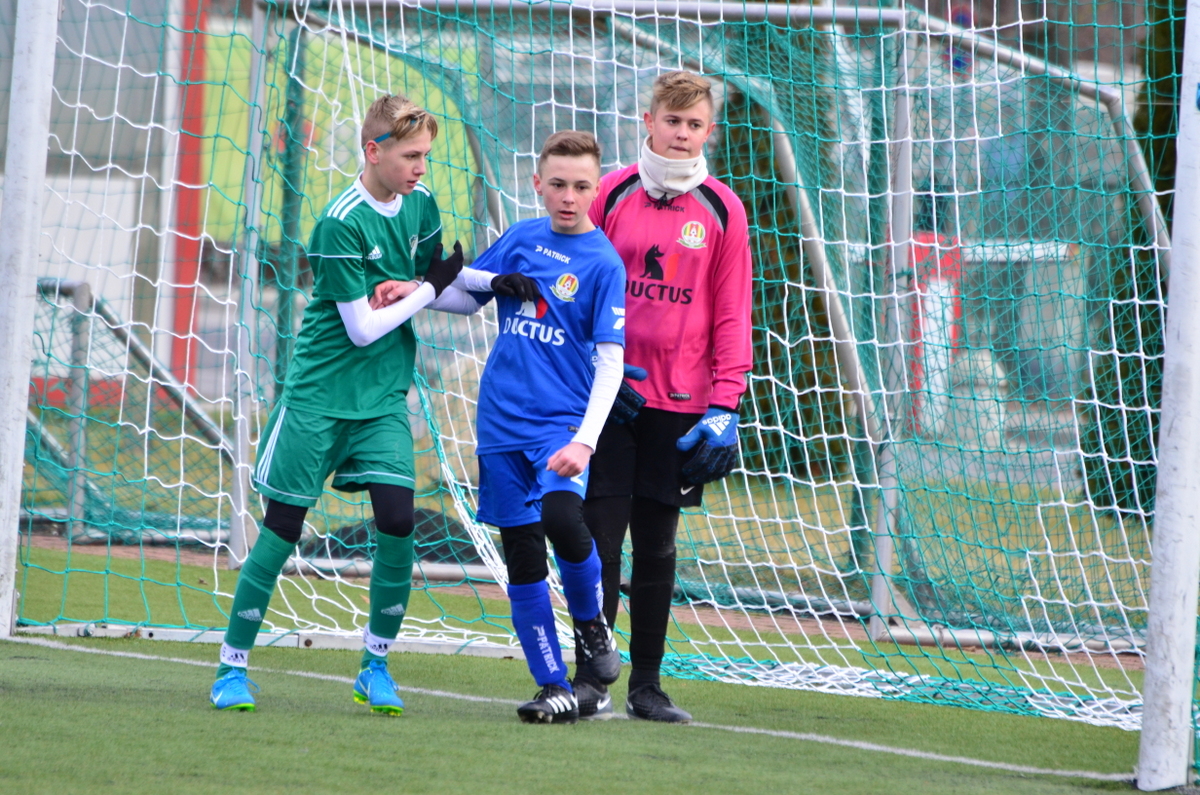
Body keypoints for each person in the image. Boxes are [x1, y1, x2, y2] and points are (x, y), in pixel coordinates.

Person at [209, 94, 481, 715]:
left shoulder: (422, 207)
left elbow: (439, 290)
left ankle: (375, 667)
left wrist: (494, 287)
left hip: (383, 401)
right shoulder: (340, 220)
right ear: (373, 150)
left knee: (397, 522)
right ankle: (232, 668)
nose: (420, 168)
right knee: (281, 532)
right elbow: (362, 328)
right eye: (411, 155)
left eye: (426, 157)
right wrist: (430, 286)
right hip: (318, 400)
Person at [578, 71, 753, 723]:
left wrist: (726, 403)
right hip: (607, 395)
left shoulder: (723, 210)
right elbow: (578, 285)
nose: (681, 134)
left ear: (710, 132)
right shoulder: (612, 193)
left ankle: (646, 685)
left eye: (694, 124)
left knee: (656, 545)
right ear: (647, 121)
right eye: (671, 121)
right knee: (598, 538)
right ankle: (588, 678)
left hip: (682, 405)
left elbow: (733, 312)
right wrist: (592, 369)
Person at [464, 130, 628, 724]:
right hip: (500, 423)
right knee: (524, 555)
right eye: (557, 184)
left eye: (581, 186)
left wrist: (585, 439)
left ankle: (592, 628)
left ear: (596, 189)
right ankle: (552, 684)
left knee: (561, 519)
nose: (568, 196)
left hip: (559, 423)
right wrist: (482, 280)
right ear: (538, 184)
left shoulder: (604, 263)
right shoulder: (518, 239)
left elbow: (610, 360)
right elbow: (457, 297)